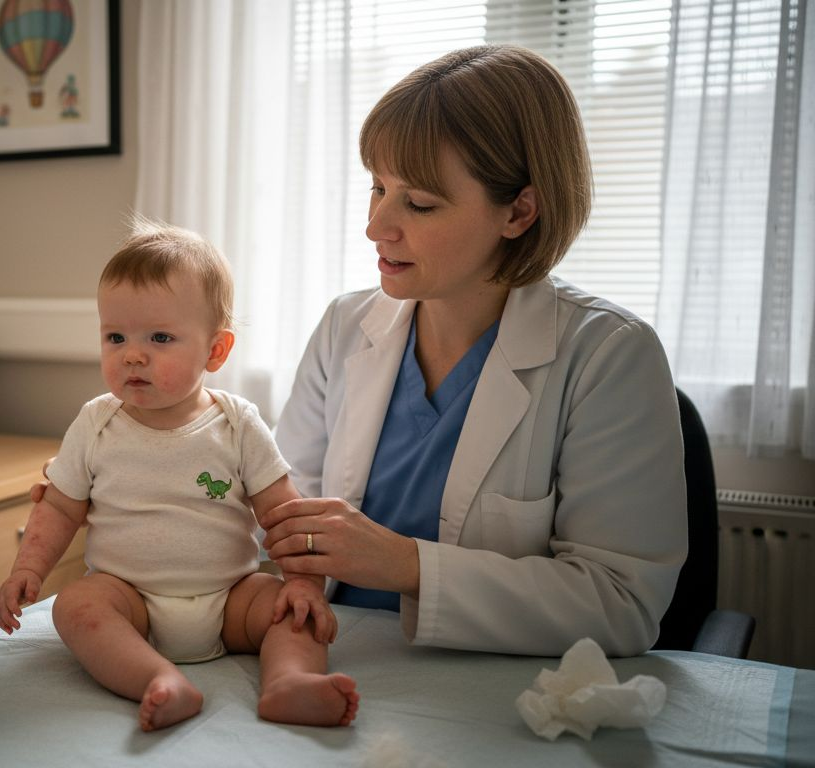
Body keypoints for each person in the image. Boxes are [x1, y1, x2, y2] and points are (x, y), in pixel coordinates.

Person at [259, 44, 687, 658]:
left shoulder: (609, 355)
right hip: (332, 654)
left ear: (518, 212)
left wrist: (407, 565)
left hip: (494, 692)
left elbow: (620, 604)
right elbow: (279, 517)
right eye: (377, 188)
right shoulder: (344, 326)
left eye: (419, 202)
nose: (377, 225)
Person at [0, 218, 359, 732]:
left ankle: (289, 683)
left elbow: (285, 515)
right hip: (130, 601)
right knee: (75, 605)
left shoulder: (237, 424)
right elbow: (58, 507)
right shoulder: (95, 423)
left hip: (232, 598)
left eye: (160, 337)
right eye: (115, 336)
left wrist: (303, 583)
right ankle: (157, 681)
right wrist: (26, 569)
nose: (133, 354)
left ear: (215, 350)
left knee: (290, 611)